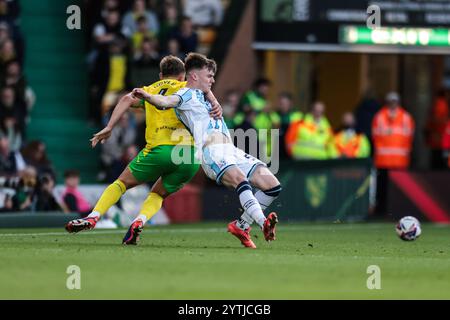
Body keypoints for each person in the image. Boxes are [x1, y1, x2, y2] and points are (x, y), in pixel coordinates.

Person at [65, 55, 222, 244]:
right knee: (158, 194)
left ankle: (93, 216)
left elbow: (125, 99)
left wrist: (109, 127)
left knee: (121, 183)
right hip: (189, 157)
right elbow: (206, 88)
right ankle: (140, 220)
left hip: (159, 150)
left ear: (161, 74)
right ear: (184, 76)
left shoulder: (151, 90)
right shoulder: (188, 88)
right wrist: (215, 102)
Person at [132, 53, 282, 249]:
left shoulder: (205, 95)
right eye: (209, 76)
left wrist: (214, 100)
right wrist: (148, 96)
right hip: (212, 152)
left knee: (273, 186)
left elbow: (206, 93)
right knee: (241, 181)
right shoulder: (184, 95)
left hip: (231, 149)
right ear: (194, 76)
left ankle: (241, 225)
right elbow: (165, 102)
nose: (212, 80)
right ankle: (263, 223)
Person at [372, 92, 415, 215]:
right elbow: (376, 137)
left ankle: (397, 211)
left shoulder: (406, 117)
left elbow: (409, 138)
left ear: (398, 102)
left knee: (398, 189)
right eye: (391, 101)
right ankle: (381, 211)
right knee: (382, 188)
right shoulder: (379, 117)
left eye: (394, 101)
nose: (392, 104)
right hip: (383, 160)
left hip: (399, 161)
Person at [425, 89, 449, 169]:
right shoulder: (442, 105)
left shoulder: (437, 105)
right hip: (441, 137)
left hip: (438, 137)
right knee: (441, 160)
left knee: (437, 159)